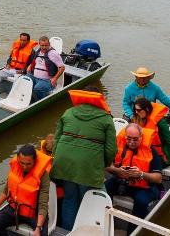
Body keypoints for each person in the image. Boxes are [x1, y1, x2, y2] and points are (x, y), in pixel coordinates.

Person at [51, 87, 117, 231]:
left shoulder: (68, 112)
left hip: (65, 164)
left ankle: (69, 231)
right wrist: (102, 165)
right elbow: (111, 149)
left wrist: (58, 158)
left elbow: (56, 140)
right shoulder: (106, 118)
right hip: (89, 166)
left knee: (69, 199)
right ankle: (95, 231)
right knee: (97, 200)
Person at [105, 123, 163, 234]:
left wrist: (141, 174)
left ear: (141, 137)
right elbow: (106, 166)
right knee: (103, 190)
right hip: (121, 181)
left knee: (141, 201)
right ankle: (107, 223)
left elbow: (158, 178)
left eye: (135, 139)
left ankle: (133, 231)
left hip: (144, 186)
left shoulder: (151, 152)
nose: (131, 142)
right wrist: (118, 171)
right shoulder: (117, 147)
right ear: (125, 136)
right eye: (129, 138)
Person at [0, 144, 52, 236]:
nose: (24, 167)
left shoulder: (43, 176)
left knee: (42, 234)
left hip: (34, 213)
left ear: (35, 161)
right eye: (22, 163)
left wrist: (38, 227)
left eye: (28, 164)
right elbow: (6, 190)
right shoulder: (15, 168)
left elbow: (43, 204)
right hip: (15, 209)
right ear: (18, 160)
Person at [131, 97, 170, 176]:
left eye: (139, 110)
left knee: (145, 168)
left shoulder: (160, 122)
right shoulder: (137, 119)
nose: (136, 112)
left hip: (160, 155)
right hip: (145, 152)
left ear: (147, 109)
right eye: (135, 110)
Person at [25, 36, 65, 102]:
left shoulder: (53, 54)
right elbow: (36, 61)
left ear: (49, 44)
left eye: (46, 45)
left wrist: (55, 78)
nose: (44, 47)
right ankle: (29, 99)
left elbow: (62, 67)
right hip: (34, 76)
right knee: (24, 80)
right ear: (39, 44)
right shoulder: (38, 51)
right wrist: (30, 65)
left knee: (38, 88)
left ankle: (41, 101)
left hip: (47, 80)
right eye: (42, 45)